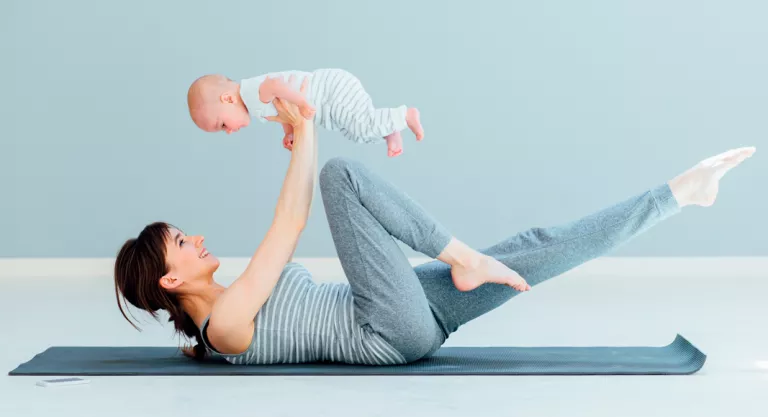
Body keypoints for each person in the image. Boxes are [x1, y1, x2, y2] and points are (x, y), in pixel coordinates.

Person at [115, 77, 756, 365]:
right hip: (386, 329)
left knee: (533, 246)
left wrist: (300, 127)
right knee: (341, 175)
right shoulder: (224, 325)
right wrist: (305, 127)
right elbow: (290, 221)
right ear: (169, 281)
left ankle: (678, 193)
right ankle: (462, 256)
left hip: (406, 308)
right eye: (181, 242)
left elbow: (288, 221)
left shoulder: (229, 308)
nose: (195, 238)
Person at [186, 69, 424, 157]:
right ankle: (391, 129)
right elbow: (280, 105)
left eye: (222, 125)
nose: (229, 131)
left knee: (361, 125)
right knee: (356, 132)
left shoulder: (248, 93)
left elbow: (276, 86)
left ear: (227, 99)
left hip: (330, 90)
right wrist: (289, 129)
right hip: (330, 94)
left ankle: (405, 115)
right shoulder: (252, 103)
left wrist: (301, 102)